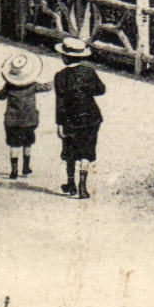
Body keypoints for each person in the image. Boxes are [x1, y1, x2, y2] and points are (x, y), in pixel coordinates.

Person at [53, 37, 105, 199]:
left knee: (70, 150)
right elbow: (100, 90)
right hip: (91, 117)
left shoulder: (60, 76)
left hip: (70, 118)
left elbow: (60, 101)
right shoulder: (89, 71)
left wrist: (59, 123)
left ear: (65, 57)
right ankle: (83, 187)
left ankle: (71, 184)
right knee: (86, 151)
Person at [0, 52, 51, 180]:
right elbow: (45, 87)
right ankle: (26, 167)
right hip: (29, 120)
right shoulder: (32, 85)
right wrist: (53, 82)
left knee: (14, 145)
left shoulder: (9, 85)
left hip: (12, 120)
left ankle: (13, 170)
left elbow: (0, 96)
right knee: (28, 144)